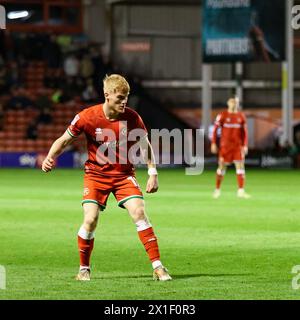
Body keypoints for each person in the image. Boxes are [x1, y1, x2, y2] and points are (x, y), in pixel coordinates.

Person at [41, 74, 171, 281]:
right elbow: (64, 140)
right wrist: (50, 157)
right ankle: (84, 269)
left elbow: (145, 145)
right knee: (90, 219)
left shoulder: (133, 117)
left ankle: (158, 267)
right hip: (95, 176)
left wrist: (152, 172)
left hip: (123, 175)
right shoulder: (87, 117)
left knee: (139, 212)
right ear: (107, 95)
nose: (124, 101)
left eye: (126, 97)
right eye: (120, 97)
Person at [211, 96, 250, 199]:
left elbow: (245, 133)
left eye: (235, 102)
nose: (234, 104)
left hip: (238, 146)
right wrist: (214, 143)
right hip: (225, 146)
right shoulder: (222, 115)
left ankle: (241, 191)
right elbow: (215, 130)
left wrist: (245, 145)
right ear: (228, 103)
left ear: (237, 104)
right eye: (232, 102)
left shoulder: (241, 116)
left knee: (240, 167)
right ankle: (217, 190)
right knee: (221, 167)